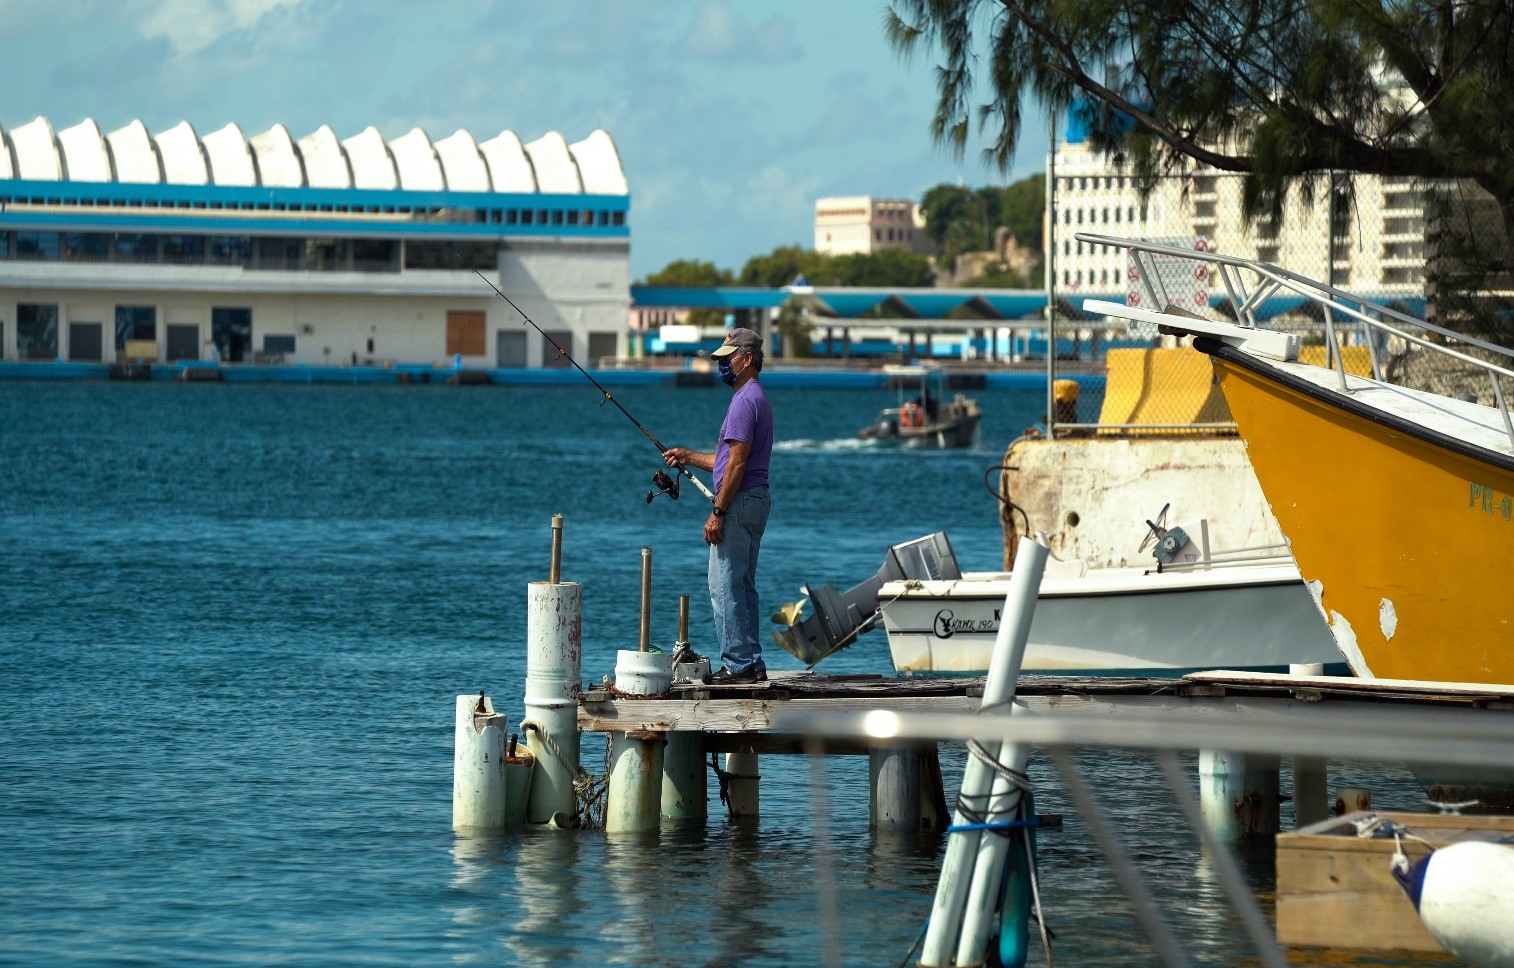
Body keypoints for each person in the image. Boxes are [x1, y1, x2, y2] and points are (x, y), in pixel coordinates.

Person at [661, 328, 774, 684]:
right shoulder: (757, 397)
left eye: (728, 358)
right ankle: (752, 662)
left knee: (723, 585)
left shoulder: (743, 401)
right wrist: (689, 457)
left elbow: (737, 465)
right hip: (756, 499)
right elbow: (730, 460)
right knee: (743, 585)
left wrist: (718, 512)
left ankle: (738, 666)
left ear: (746, 359)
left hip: (739, 502)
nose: (722, 364)